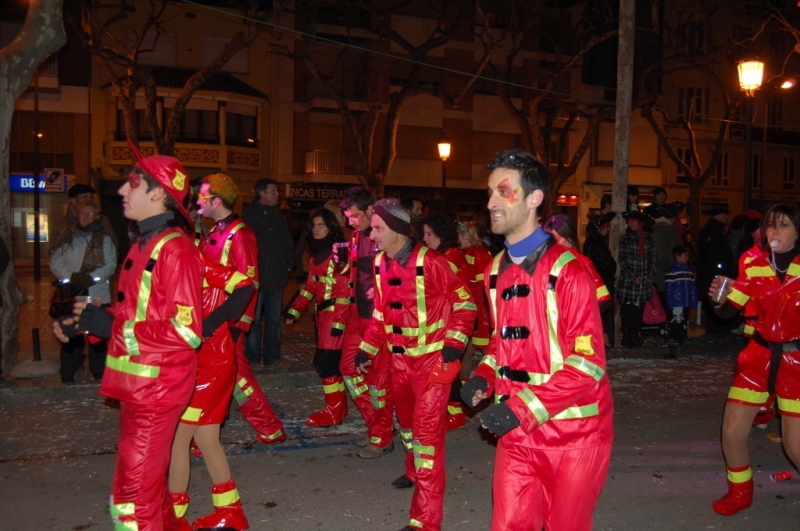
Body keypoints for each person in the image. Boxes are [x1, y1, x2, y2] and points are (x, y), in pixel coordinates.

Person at [52, 144, 204, 530]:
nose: (121, 191)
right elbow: (135, 313)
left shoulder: (176, 250)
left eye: (131, 184)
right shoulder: (142, 244)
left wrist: (110, 328)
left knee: (131, 498)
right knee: (145, 487)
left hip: (157, 386)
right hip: (137, 384)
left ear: (157, 194)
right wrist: (88, 321)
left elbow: (187, 331)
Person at [461, 149, 613, 531]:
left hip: (574, 438)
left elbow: (588, 364)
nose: (491, 202)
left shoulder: (570, 271)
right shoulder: (495, 270)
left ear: (534, 199)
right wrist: (483, 377)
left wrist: (520, 409)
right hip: (516, 435)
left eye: (503, 191)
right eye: (490, 193)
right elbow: (502, 344)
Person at [356, 198, 476, 531]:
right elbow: (381, 314)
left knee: (425, 438)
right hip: (398, 363)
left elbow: (465, 304)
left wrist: (453, 345)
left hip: (432, 366)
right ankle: (413, 471)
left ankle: (424, 519)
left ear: (396, 228)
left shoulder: (433, 262)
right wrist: (366, 349)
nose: (373, 235)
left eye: (378, 228)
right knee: (407, 427)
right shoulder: (380, 264)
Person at [708, 204, 800, 516]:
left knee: (795, 446)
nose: (775, 231)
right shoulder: (753, 262)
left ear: (798, 232)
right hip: (757, 357)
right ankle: (740, 493)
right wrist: (719, 297)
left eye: (784, 225)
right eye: (771, 225)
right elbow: (727, 312)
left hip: (797, 362)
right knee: (732, 432)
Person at [198, 173, 286, 445]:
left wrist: (240, 324)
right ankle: (269, 428)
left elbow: (250, 283)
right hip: (212, 318)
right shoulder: (215, 231)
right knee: (231, 378)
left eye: (202, 196)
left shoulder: (240, 234)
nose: (198, 201)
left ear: (216, 200)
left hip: (227, 320)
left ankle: (201, 436)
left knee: (229, 378)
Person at [169, 258, 254, 531]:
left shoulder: (199, 264)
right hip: (194, 362)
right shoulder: (169, 265)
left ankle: (174, 517)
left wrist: (213, 322)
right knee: (206, 440)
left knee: (178, 440)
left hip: (210, 366)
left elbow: (245, 285)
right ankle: (230, 511)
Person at [337, 186, 394, 459]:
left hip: (378, 320)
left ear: (370, 210)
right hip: (356, 317)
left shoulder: (386, 235)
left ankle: (382, 435)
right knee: (348, 370)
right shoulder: (356, 236)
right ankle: (378, 427)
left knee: (378, 383)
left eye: (354, 215)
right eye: (347, 216)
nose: (350, 221)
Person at [286, 209, 350, 427]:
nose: (316, 229)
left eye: (321, 225)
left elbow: (345, 290)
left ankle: (334, 411)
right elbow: (311, 286)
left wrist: (339, 323)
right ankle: (338, 409)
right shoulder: (316, 254)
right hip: (323, 316)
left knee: (325, 363)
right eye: (314, 226)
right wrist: (294, 311)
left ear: (331, 227)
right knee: (330, 364)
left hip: (336, 316)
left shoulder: (340, 252)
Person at [49, 201, 117, 383]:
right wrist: (71, 276)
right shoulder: (67, 236)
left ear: (97, 216)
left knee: (97, 335)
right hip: (72, 292)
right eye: (81, 214)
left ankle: (98, 371)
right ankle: (68, 370)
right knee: (71, 333)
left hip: (96, 291)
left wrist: (92, 277)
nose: (85, 217)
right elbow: (55, 260)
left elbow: (110, 264)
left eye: (89, 214)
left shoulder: (105, 239)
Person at [422, 211, 471, 431]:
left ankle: (456, 412)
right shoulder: (444, 254)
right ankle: (452, 410)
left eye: (429, 234)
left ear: (440, 234)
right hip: (444, 320)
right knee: (447, 367)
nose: (425, 239)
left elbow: (435, 286)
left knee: (448, 367)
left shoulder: (451, 256)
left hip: (453, 321)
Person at [243, 178, 295, 369]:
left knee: (274, 321)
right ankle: (253, 358)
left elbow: (287, 244)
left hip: (276, 278)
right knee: (253, 321)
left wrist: (286, 266)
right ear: (262, 193)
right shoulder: (248, 217)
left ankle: (273, 357)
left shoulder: (279, 218)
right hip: (256, 279)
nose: (277, 194)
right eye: (273, 191)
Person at [456, 218, 492, 382]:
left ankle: (495, 386)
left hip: (480, 312)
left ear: (465, 236)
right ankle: (464, 391)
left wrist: (476, 314)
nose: (457, 241)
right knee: (469, 352)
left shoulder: (480, 255)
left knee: (486, 353)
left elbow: (482, 287)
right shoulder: (470, 253)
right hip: (472, 310)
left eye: (459, 237)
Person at [617, 210, 656, 347]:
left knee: (639, 311)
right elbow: (622, 260)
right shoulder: (625, 238)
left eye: (633, 221)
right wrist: (633, 276)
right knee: (628, 312)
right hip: (629, 282)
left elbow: (652, 259)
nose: (631, 224)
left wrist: (648, 275)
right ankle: (629, 337)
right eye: (629, 222)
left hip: (643, 282)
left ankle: (635, 334)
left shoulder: (649, 238)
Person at [696, 204, 735, 335]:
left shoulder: (716, 230)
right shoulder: (712, 232)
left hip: (716, 274)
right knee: (716, 301)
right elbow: (711, 256)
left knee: (718, 301)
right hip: (715, 275)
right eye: (724, 215)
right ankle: (716, 329)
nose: (727, 218)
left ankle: (718, 328)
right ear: (717, 216)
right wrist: (719, 272)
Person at [584, 211, 617, 347]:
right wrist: (607, 267)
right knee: (603, 313)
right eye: (607, 227)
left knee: (607, 313)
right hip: (601, 281)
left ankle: (608, 341)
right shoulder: (593, 242)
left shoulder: (600, 241)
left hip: (605, 280)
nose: (608, 230)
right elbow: (592, 262)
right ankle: (603, 341)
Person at [664, 246, 697, 346]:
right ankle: (674, 336)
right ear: (677, 257)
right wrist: (670, 302)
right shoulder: (672, 272)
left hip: (685, 301)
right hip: (677, 301)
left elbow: (692, 288)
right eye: (685, 256)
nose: (687, 258)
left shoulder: (688, 271)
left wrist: (694, 301)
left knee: (684, 319)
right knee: (676, 320)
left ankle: (683, 336)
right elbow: (669, 289)